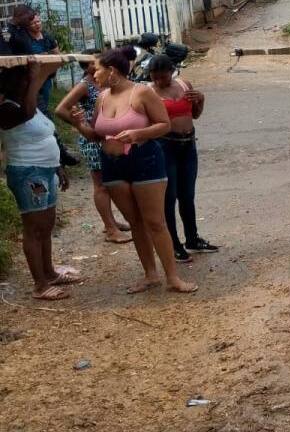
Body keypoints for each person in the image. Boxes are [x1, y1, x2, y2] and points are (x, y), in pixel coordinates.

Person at [69, 48, 197, 294]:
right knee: (135, 222)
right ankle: (150, 275)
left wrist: (138, 134)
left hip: (144, 159)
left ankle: (173, 278)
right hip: (112, 164)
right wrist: (79, 125)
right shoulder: (102, 97)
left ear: (112, 71)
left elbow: (164, 125)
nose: (93, 75)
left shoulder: (142, 92)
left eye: (97, 70)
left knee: (155, 222)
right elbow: (97, 135)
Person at [1, 61, 81, 300]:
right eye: (27, 81)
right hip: (28, 172)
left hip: (44, 170)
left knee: (46, 225)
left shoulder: (29, 105)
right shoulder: (7, 108)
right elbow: (24, 117)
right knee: (34, 228)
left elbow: (45, 134)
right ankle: (40, 284)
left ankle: (49, 272)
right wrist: (36, 80)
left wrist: (58, 167)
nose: (31, 84)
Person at [147, 54, 217, 263]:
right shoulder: (149, 93)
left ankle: (192, 238)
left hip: (188, 144)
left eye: (164, 77)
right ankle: (173, 243)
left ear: (172, 72)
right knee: (169, 196)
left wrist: (201, 100)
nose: (160, 81)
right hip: (165, 145)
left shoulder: (184, 85)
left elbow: (195, 114)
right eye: (155, 77)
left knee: (187, 195)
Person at [55, 57, 132, 244]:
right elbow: (61, 109)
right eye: (93, 64)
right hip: (92, 139)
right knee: (101, 185)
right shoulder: (84, 85)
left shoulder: (105, 82)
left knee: (113, 182)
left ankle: (112, 222)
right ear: (86, 67)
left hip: (108, 137)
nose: (97, 67)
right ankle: (110, 228)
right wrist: (80, 123)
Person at [7, 5, 79, 167]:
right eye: (30, 19)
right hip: (23, 82)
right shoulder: (13, 33)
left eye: (36, 19)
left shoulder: (40, 35)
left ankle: (58, 153)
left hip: (39, 79)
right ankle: (60, 154)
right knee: (37, 113)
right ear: (21, 16)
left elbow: (57, 55)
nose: (34, 22)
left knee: (42, 113)